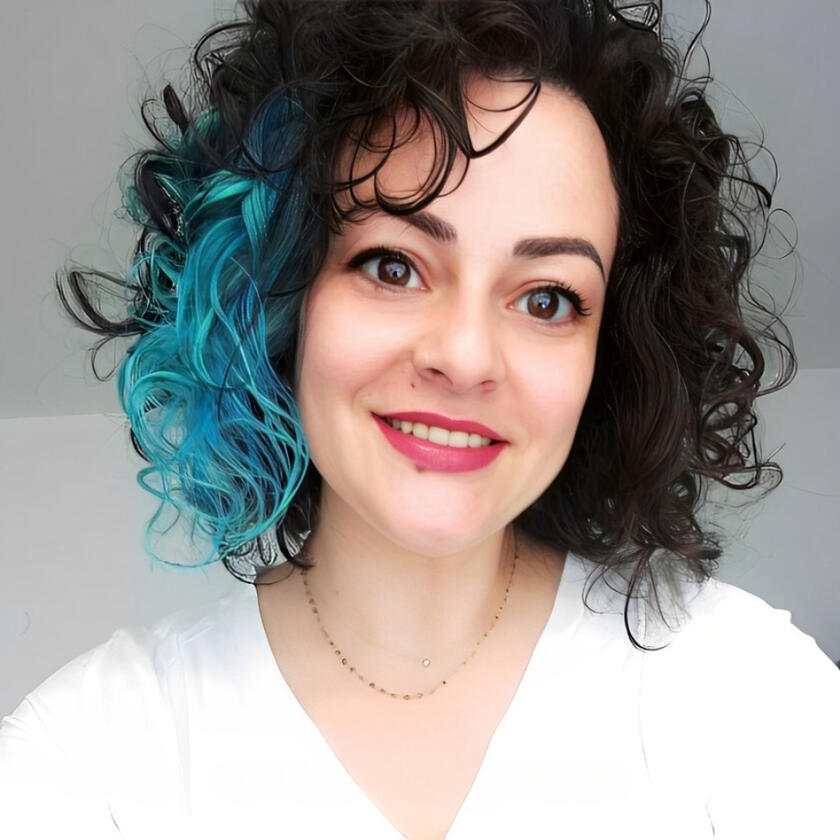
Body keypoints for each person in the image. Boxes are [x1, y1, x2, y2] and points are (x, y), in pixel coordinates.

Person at [1, 1, 838, 837]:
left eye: (548, 299)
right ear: (277, 297)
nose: (466, 357)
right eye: (393, 266)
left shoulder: (751, 696)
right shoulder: (87, 762)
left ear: (607, 356)